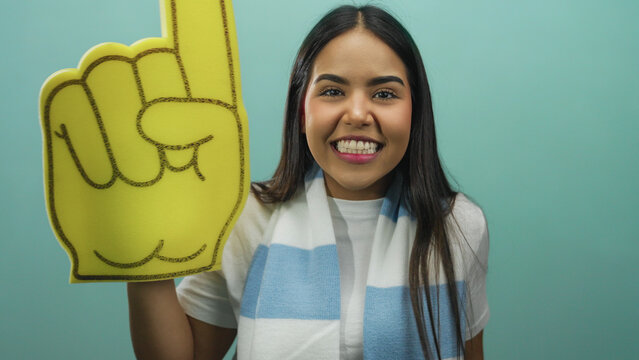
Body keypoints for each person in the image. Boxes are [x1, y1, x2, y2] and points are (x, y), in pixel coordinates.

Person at [128, 5, 489, 360]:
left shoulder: (459, 226)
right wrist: (145, 258)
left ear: (415, 112)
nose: (359, 114)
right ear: (302, 112)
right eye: (333, 91)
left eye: (384, 94)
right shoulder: (246, 219)